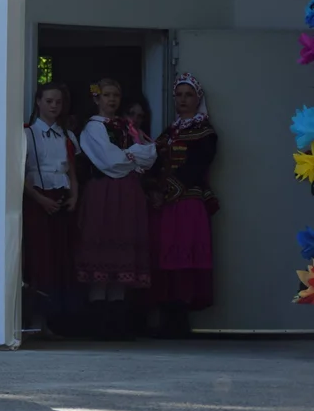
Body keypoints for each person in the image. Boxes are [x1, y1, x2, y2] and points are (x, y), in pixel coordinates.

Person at [75, 78, 157, 338]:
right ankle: (99, 323)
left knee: (123, 251)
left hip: (127, 193)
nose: (112, 100)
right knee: (103, 247)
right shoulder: (93, 128)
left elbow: (151, 152)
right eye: (107, 95)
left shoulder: (126, 126)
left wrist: (133, 157)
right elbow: (109, 161)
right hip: (104, 192)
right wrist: (133, 158)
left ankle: (119, 322)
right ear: (97, 98)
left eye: (116, 96)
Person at [148, 73, 218, 336]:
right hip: (166, 205)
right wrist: (154, 188)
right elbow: (154, 162)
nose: (183, 100)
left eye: (189, 95)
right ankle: (167, 316)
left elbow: (198, 166)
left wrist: (172, 187)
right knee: (166, 255)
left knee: (184, 256)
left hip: (188, 203)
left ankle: (181, 319)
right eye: (179, 94)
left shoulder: (205, 132)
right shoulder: (169, 131)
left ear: (198, 98)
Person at [22, 82, 80, 334]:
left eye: (58, 102)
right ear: (38, 102)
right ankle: (35, 319)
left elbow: (73, 172)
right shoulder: (26, 134)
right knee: (39, 258)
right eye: (49, 101)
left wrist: (74, 196)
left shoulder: (67, 135)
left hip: (61, 198)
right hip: (37, 199)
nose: (54, 106)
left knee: (60, 258)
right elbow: (20, 174)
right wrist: (38, 198)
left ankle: (57, 319)